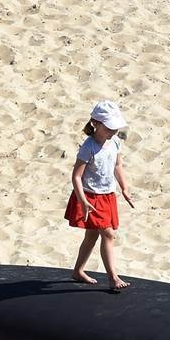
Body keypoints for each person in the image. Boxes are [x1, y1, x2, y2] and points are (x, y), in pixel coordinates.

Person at [64, 100, 135, 291]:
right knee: (109, 234)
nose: (112, 132)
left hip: (107, 195)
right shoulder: (89, 146)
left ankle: (78, 271)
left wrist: (124, 188)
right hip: (90, 197)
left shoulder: (115, 141)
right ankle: (112, 278)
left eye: (114, 128)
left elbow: (117, 165)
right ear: (95, 123)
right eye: (108, 128)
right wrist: (83, 201)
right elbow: (76, 176)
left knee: (92, 236)